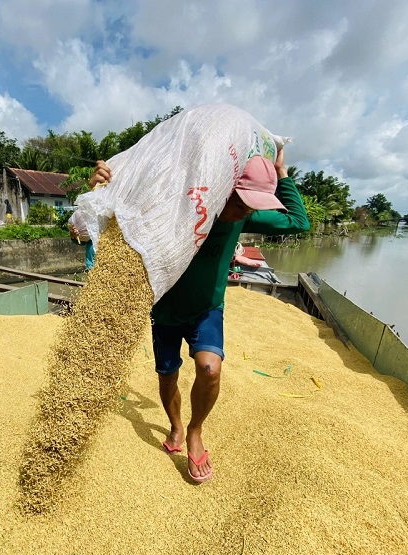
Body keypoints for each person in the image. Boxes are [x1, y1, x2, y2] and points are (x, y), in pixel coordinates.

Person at [88, 148, 309, 484]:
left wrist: (282, 173)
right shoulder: (182, 204)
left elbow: (299, 221)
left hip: (206, 307)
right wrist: (100, 188)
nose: (245, 210)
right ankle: (175, 425)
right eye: (241, 200)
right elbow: (108, 227)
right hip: (163, 309)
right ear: (225, 186)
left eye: (253, 204)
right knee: (167, 375)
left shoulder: (247, 215)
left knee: (210, 368)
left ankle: (194, 430)